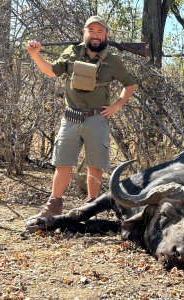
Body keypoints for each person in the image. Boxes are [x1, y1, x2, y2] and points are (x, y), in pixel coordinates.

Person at [26, 16, 136, 218]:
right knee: (63, 163)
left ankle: (90, 208)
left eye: (100, 31)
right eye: (91, 30)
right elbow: (52, 71)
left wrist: (117, 105)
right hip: (71, 118)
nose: (95, 35)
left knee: (95, 165)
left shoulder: (113, 60)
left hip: (97, 118)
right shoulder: (71, 52)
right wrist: (35, 54)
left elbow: (130, 84)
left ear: (106, 35)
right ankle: (54, 205)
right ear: (84, 32)